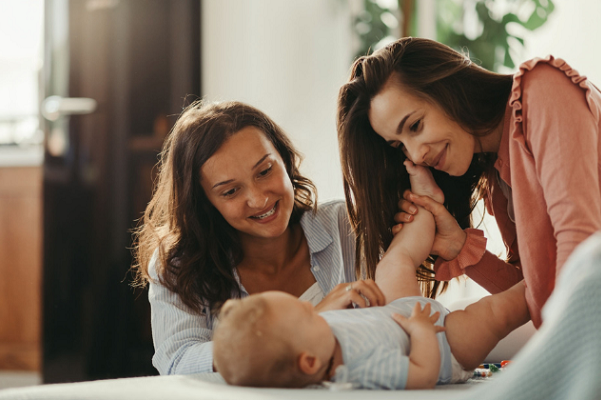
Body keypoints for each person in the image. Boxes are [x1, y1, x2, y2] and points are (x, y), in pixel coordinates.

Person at [337, 37, 601, 328]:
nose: (416, 154)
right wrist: (458, 245)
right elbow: (535, 296)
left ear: (449, 88)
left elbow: (581, 244)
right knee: (456, 325)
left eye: (415, 126)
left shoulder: (543, 89)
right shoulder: (497, 177)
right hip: (582, 324)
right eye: (400, 146)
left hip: (585, 324)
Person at [213, 162, 530, 389]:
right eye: (308, 316)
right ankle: (546, 283)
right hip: (442, 342)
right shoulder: (359, 369)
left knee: (394, 263)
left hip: (396, 311)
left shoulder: (314, 337)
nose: (316, 311)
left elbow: (343, 321)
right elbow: (421, 375)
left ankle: (427, 202)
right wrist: (421, 332)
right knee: (495, 313)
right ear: (310, 362)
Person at [132, 100, 386, 375]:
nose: (259, 199)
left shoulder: (347, 225)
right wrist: (311, 321)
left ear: (284, 160)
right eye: (230, 191)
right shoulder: (179, 265)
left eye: (265, 171)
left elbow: (400, 324)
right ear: (205, 203)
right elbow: (178, 363)